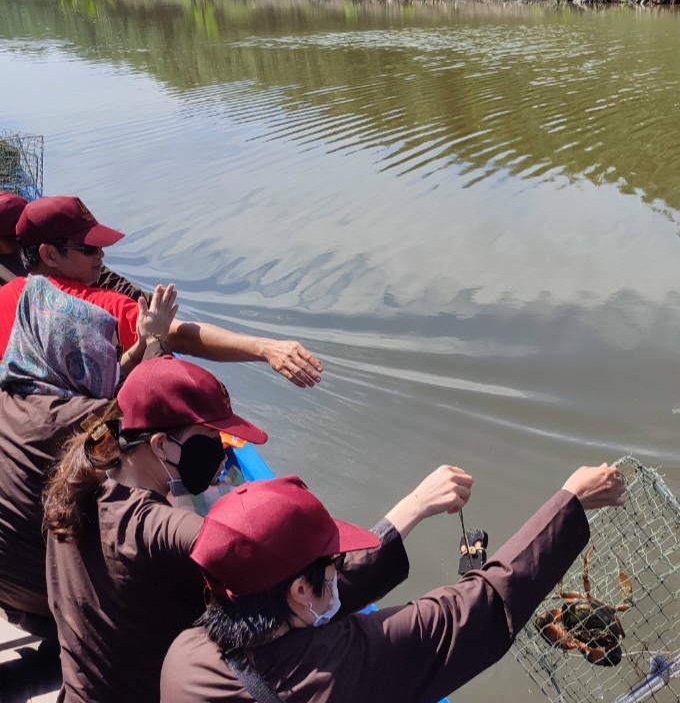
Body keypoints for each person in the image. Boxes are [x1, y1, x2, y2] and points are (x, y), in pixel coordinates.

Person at [44, 354, 471, 703]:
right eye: (209, 438)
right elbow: (294, 583)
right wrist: (411, 509)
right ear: (161, 445)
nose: (220, 452)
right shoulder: (162, 531)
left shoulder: (85, 482)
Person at [159, 463, 626, 703]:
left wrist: (416, 505)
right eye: (332, 565)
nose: (339, 573)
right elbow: (472, 610)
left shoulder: (185, 652)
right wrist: (572, 504)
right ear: (299, 591)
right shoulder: (336, 671)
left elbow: (323, 599)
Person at [0, 275, 174, 638]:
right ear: (77, 361)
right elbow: (142, 409)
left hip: (9, 594)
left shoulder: (12, 399)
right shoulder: (88, 424)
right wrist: (156, 341)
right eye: (104, 351)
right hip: (51, 598)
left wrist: (140, 344)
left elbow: (106, 392)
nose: (111, 356)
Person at [0, 195, 323, 387]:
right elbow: (179, 335)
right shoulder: (99, 306)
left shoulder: (6, 296)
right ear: (49, 254)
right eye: (89, 249)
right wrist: (265, 348)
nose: (101, 256)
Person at [0, 189, 147, 300]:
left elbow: (105, 277)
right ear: (49, 254)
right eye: (89, 248)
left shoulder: (76, 261)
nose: (100, 253)